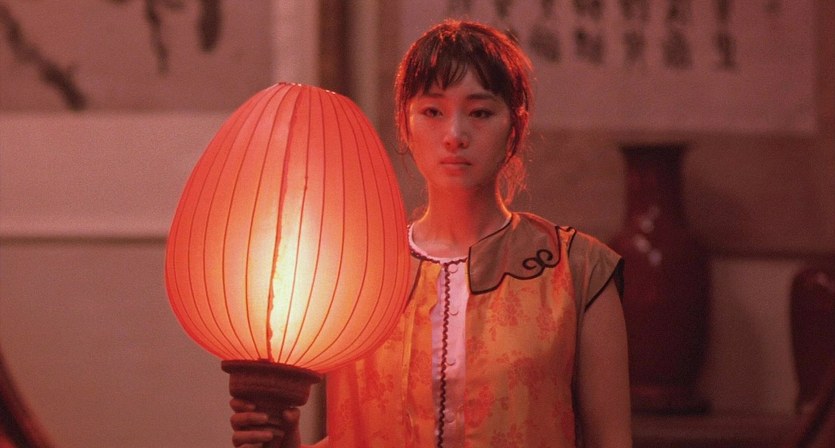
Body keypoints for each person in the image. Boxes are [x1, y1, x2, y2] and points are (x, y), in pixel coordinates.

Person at [230, 19, 631, 448]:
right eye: (432, 112)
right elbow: (358, 435)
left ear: (515, 128)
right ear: (405, 126)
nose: (455, 135)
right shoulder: (357, 276)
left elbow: (611, 439)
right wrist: (285, 439)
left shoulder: (576, 271)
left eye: (480, 112)